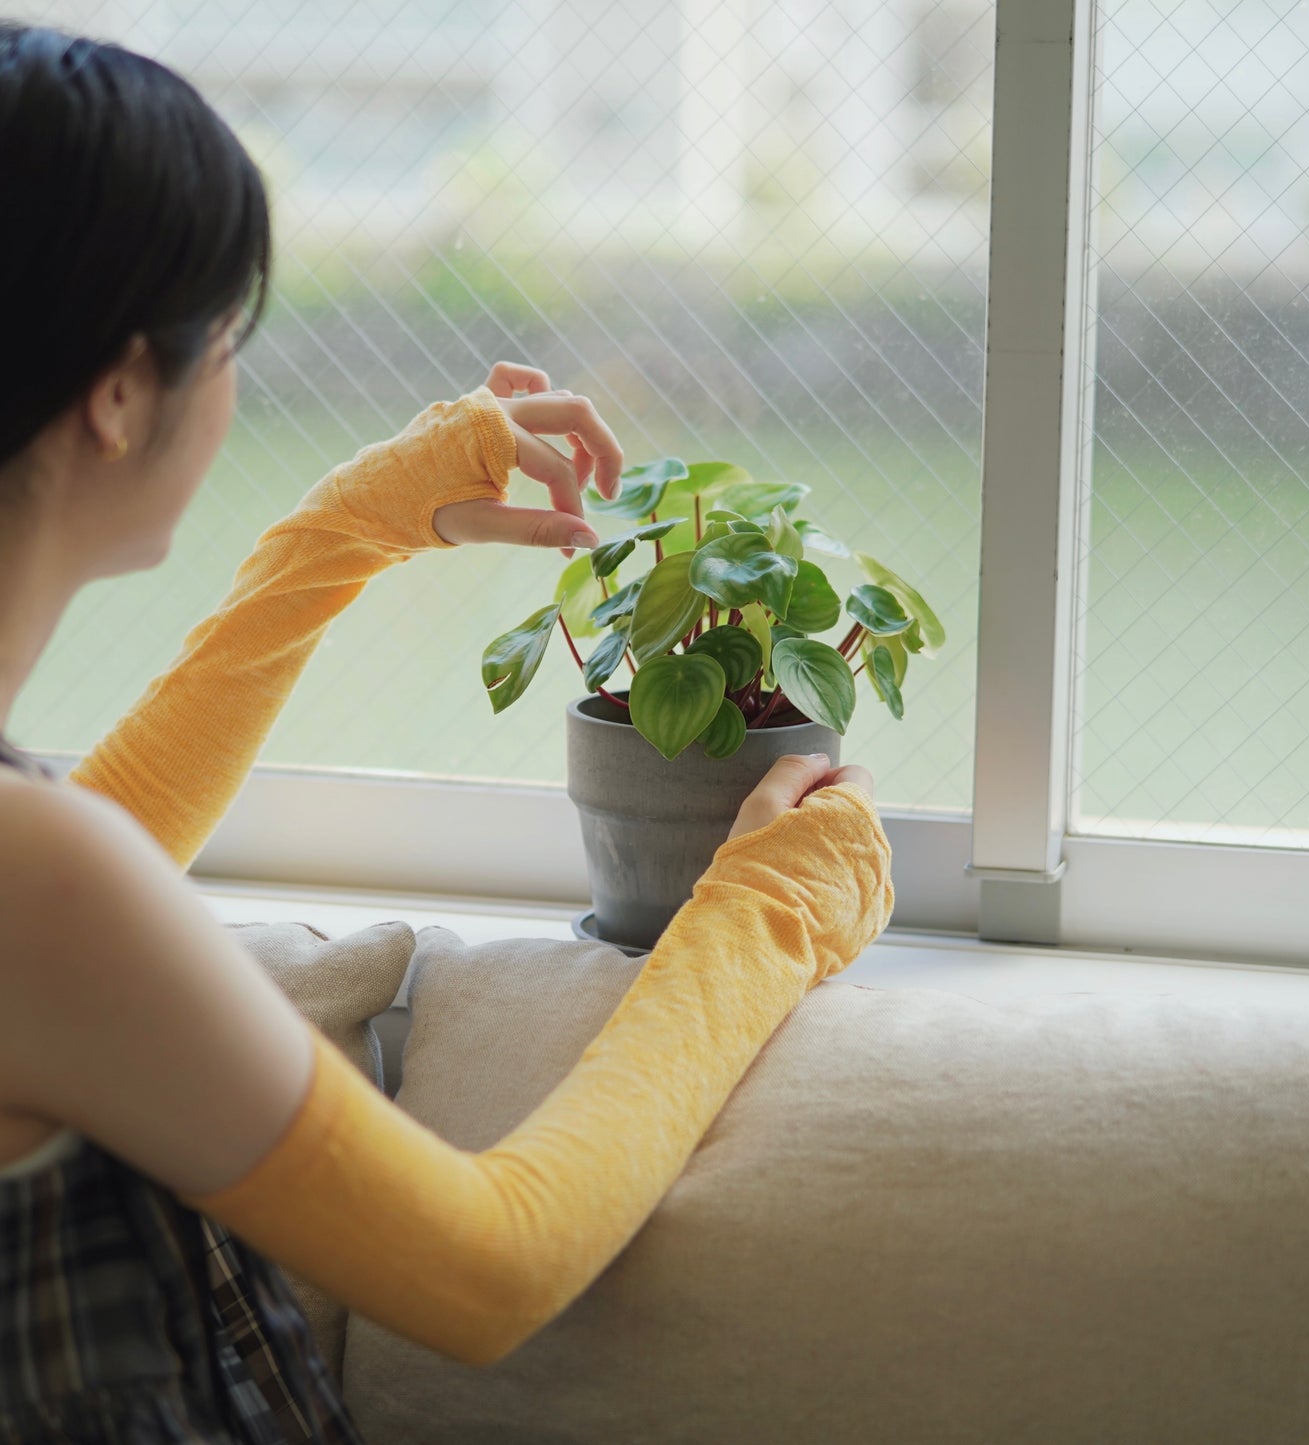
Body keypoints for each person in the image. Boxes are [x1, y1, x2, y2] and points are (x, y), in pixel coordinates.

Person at [0, 23, 894, 1444]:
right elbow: (492, 1267)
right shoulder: (39, 894)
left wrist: (341, 534)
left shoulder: (38, 885)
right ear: (119, 394)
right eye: (227, 336)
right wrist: (763, 918)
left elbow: (73, 883)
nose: (233, 378)